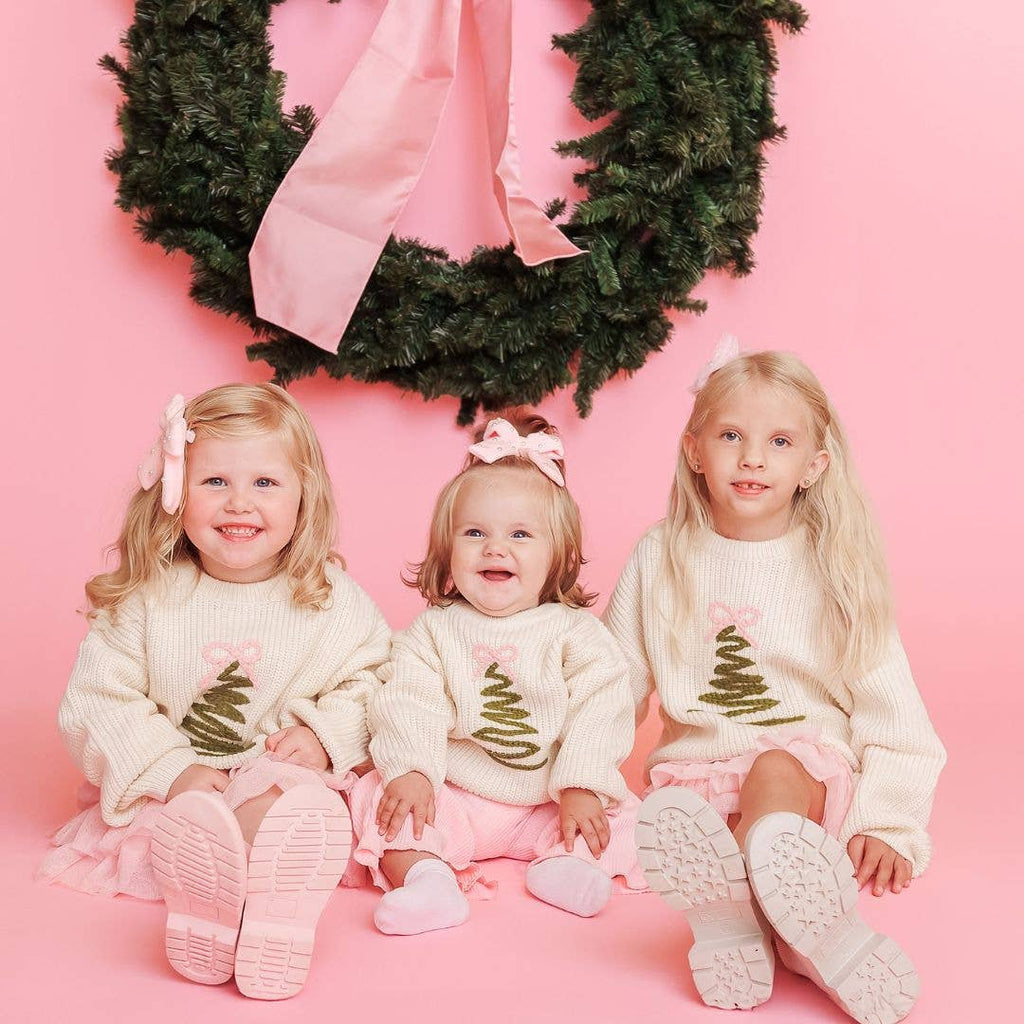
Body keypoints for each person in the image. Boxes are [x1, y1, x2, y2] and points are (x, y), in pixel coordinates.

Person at [604, 340, 946, 1023]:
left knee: (774, 771)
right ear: (695, 450)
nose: (753, 458)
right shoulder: (660, 555)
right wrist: (584, 778)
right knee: (692, 819)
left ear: (814, 464)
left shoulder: (832, 565)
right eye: (731, 436)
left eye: (779, 442)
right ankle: (799, 943)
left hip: (803, 781)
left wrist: (888, 821)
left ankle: (747, 911)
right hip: (698, 782)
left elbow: (895, 713)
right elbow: (612, 682)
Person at [40, 384, 390, 1000]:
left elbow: (377, 678)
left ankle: (267, 906)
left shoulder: (330, 598)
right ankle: (211, 899)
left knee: (291, 803)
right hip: (176, 794)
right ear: (175, 492)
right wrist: (172, 770)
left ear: (304, 494)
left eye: (264, 483)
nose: (239, 503)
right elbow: (98, 701)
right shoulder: (150, 597)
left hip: (273, 775)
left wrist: (323, 735)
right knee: (188, 826)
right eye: (214, 482)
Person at [348, 409, 645, 935]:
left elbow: (602, 707)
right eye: (474, 532)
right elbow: (409, 700)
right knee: (377, 796)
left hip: (548, 800)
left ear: (560, 554)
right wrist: (412, 770)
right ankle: (428, 880)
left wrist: (581, 784)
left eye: (520, 534)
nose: (495, 548)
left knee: (630, 818)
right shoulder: (434, 631)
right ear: (446, 548)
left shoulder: (575, 634)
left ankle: (567, 866)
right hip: (454, 795)